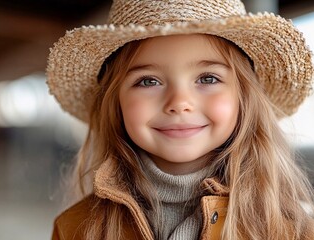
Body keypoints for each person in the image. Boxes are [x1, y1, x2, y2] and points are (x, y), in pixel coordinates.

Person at [46, 0, 314, 239]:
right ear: (115, 101)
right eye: (148, 81)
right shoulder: (75, 229)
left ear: (244, 98)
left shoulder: (290, 230)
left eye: (208, 78)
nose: (179, 103)